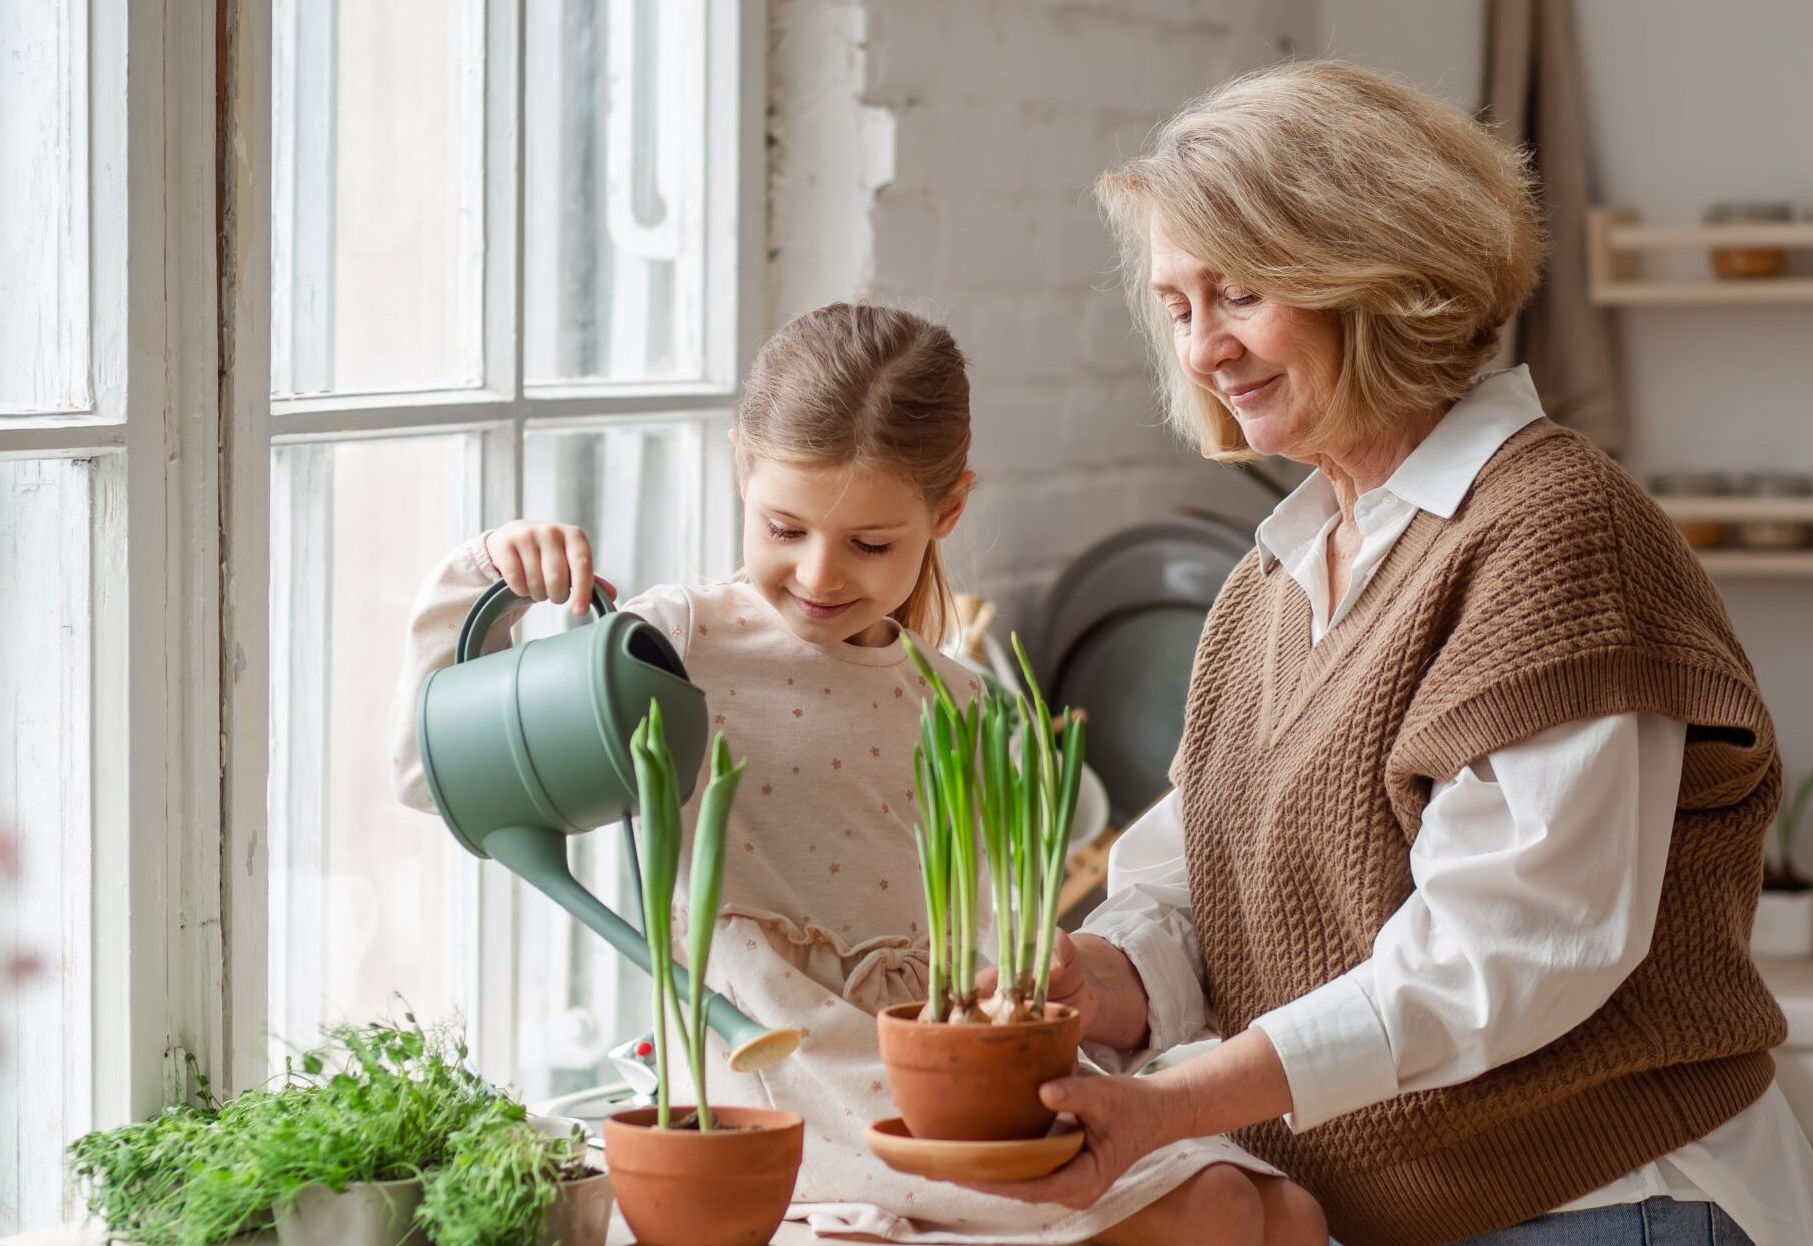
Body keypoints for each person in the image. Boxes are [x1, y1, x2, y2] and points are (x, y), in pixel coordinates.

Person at [964, 60, 1813, 1246]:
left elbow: (1510, 948)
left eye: (1236, 295)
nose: (1201, 352)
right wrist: (1102, 975)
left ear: (1371, 271)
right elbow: (1191, 889)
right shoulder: (1269, 587)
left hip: (1603, 1206)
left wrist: (1172, 1100)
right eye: (1177, 308)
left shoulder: (1549, 531)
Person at [391, 301, 1325, 1246]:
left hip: (944, 1054)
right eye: (784, 528)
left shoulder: (959, 701)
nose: (818, 575)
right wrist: (482, 584)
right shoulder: (675, 646)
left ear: (948, 510)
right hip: (785, 1062)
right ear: (742, 470)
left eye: (870, 544)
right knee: (1212, 1211)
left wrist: (1033, 973)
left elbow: (997, 925)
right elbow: (433, 778)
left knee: (1285, 1212)